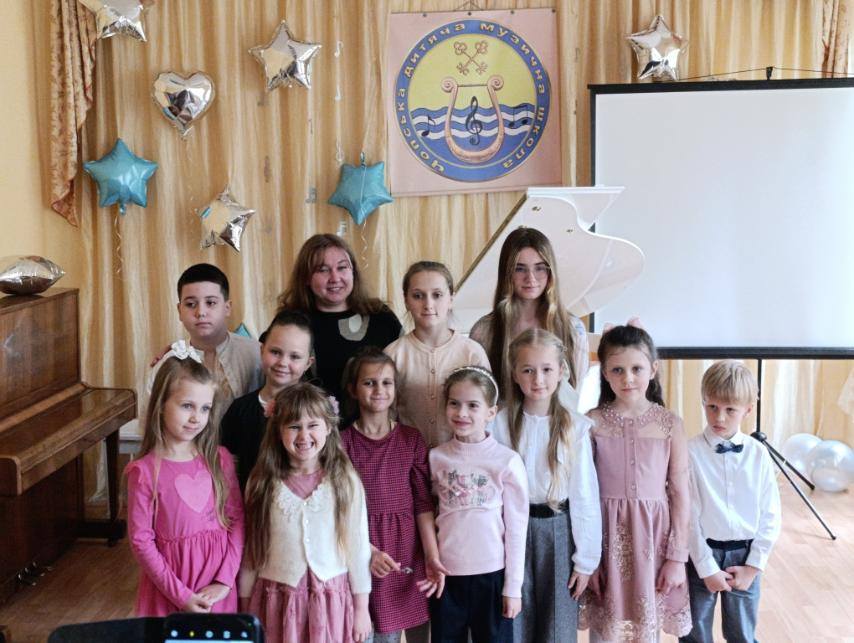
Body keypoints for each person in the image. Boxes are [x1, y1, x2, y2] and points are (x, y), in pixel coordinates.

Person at [579, 324, 692, 642]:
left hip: (654, 542)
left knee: (646, 630)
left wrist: (676, 557)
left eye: (636, 369)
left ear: (653, 369)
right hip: (605, 540)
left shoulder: (670, 424)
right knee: (606, 631)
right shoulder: (591, 423)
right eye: (618, 370)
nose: (627, 378)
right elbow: (583, 495)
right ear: (605, 373)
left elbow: (681, 494)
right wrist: (588, 559)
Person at [239, 382, 372, 643]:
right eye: (293, 426)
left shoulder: (344, 481)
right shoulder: (261, 483)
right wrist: (244, 606)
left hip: (329, 600)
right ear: (278, 430)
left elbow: (357, 547)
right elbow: (252, 549)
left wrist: (361, 609)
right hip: (276, 600)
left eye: (313, 425)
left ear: (329, 428)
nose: (304, 435)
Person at [492, 329, 602, 642]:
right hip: (512, 531)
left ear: (561, 371)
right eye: (528, 370)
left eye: (546, 369)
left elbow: (585, 496)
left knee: (557, 628)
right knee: (514, 620)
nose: (538, 379)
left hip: (558, 531)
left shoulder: (574, 427)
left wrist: (586, 561)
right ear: (515, 373)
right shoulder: (497, 424)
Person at [125, 347, 244, 616]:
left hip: (217, 591)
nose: (196, 418)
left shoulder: (220, 460)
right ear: (161, 404)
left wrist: (224, 581)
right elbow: (141, 541)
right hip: (170, 592)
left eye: (205, 408)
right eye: (187, 406)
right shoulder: (144, 472)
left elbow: (236, 520)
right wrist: (182, 596)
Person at [340, 348, 445, 643]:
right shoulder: (342, 443)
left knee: (419, 632)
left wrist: (431, 556)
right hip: (364, 547)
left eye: (386, 383)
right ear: (353, 389)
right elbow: (340, 510)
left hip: (408, 548)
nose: (379, 390)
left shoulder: (411, 439)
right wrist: (368, 552)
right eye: (369, 383)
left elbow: (423, 505)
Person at [680, 360, 781, 643]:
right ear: (703, 402)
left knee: (742, 634)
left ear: (748, 410)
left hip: (745, 555)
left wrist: (754, 566)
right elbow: (687, 516)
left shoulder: (758, 454)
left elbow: (770, 514)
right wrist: (706, 567)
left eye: (730, 410)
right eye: (712, 407)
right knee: (694, 633)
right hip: (701, 553)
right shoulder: (690, 452)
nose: (719, 418)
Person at [429, 366, 529, 643]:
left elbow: (517, 529)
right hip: (447, 577)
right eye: (454, 403)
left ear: (491, 412)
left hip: (492, 577)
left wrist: (513, 588)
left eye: (473, 405)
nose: (461, 413)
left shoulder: (507, 461)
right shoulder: (436, 458)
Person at [277, 234, 401, 407]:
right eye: (323, 270)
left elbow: (404, 374)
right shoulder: (290, 322)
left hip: (375, 422)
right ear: (305, 278)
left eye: (342, 268)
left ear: (353, 272)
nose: (335, 278)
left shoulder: (381, 317)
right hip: (310, 422)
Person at [469, 227, 589, 407]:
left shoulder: (574, 329)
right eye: (519, 269)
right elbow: (479, 397)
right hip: (500, 423)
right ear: (506, 273)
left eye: (539, 268)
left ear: (550, 272)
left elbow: (574, 396)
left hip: (557, 422)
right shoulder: (484, 331)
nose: (530, 278)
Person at [384, 261, 490, 447]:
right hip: (409, 457)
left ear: (451, 299)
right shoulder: (393, 355)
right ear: (406, 300)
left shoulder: (472, 353)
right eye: (418, 296)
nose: (428, 304)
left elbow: (484, 414)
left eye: (437, 295)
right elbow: (386, 416)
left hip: (461, 458)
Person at [220, 310, 314, 490]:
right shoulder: (240, 409)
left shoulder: (317, 411)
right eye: (275, 352)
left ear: (308, 363)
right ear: (262, 350)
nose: (283, 362)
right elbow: (227, 468)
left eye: (294, 357)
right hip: (251, 503)